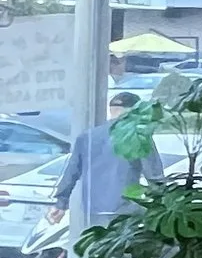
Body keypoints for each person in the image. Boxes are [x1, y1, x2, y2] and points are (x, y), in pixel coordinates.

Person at [51, 90, 161, 232]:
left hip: (93, 209)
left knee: (96, 250)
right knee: (123, 251)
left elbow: (71, 173)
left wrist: (61, 204)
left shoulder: (87, 137)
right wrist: (162, 206)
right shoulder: (138, 136)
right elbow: (154, 175)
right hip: (125, 209)